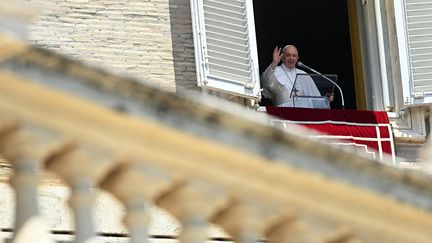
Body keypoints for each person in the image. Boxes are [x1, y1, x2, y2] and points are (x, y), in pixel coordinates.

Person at [261, 45, 330, 108]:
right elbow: (266, 82)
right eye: (288, 55)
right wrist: (274, 63)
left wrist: (325, 98)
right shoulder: (275, 71)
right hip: (283, 114)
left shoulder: (303, 74)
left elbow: (315, 98)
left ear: (297, 58)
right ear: (282, 57)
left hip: (304, 115)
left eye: (294, 56)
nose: (291, 58)